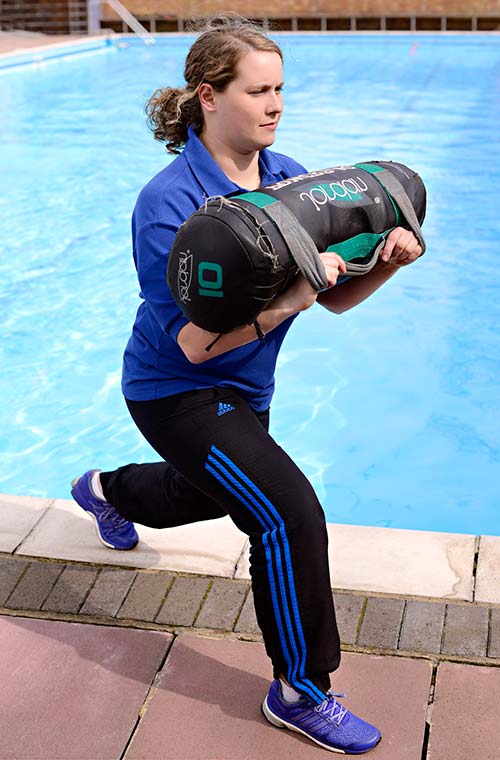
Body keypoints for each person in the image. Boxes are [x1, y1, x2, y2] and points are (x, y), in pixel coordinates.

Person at [71, 14, 421, 755]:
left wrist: (387, 260)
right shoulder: (168, 204)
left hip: (246, 391)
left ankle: (104, 491)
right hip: (176, 390)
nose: (274, 105)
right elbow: (196, 345)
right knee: (289, 512)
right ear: (208, 96)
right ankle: (301, 689)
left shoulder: (289, 177)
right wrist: (287, 302)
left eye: (280, 90)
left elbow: (332, 294)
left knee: (198, 494)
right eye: (257, 91)